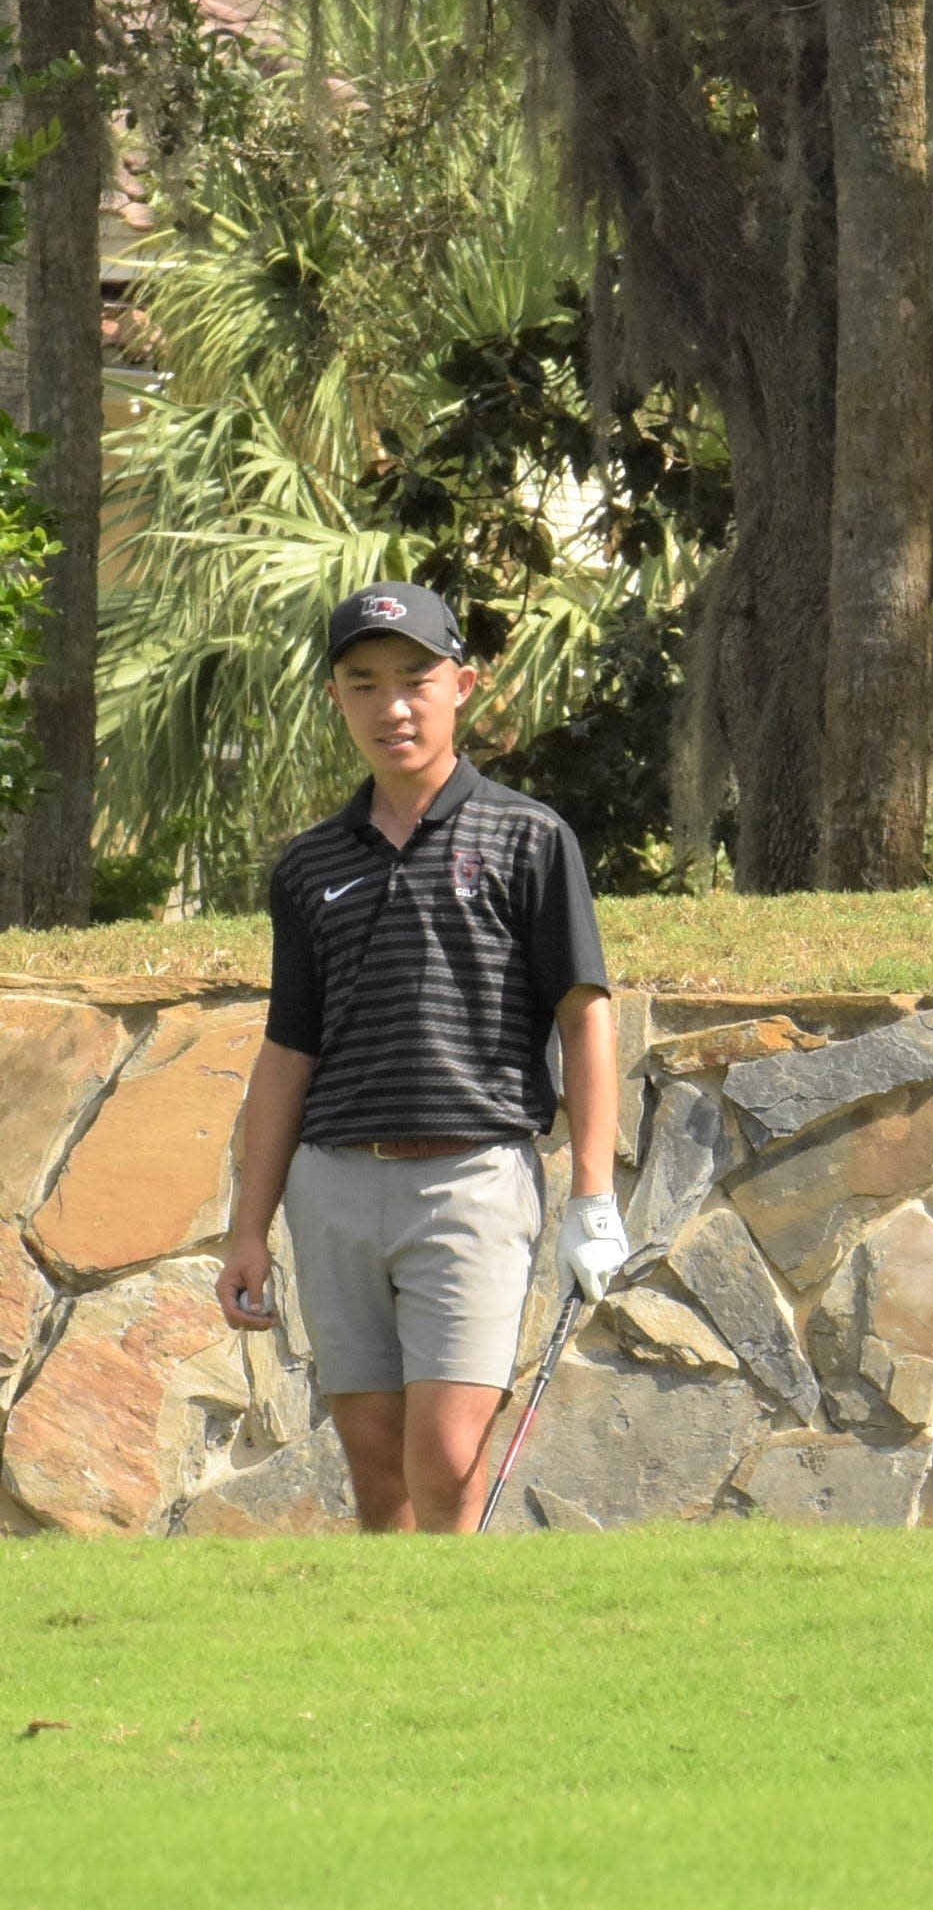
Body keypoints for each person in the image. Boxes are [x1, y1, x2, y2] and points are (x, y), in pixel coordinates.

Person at [214, 581, 631, 1532]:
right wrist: (249, 1226)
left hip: (471, 1178)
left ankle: (466, 1660)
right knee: (376, 1472)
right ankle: (398, 1665)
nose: (390, 705)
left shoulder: (530, 838)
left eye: (414, 679)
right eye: (363, 683)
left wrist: (594, 1199)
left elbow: (585, 1015)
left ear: (463, 686)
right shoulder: (309, 865)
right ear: (337, 698)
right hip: (335, 1185)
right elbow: (288, 1051)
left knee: (444, 1460)